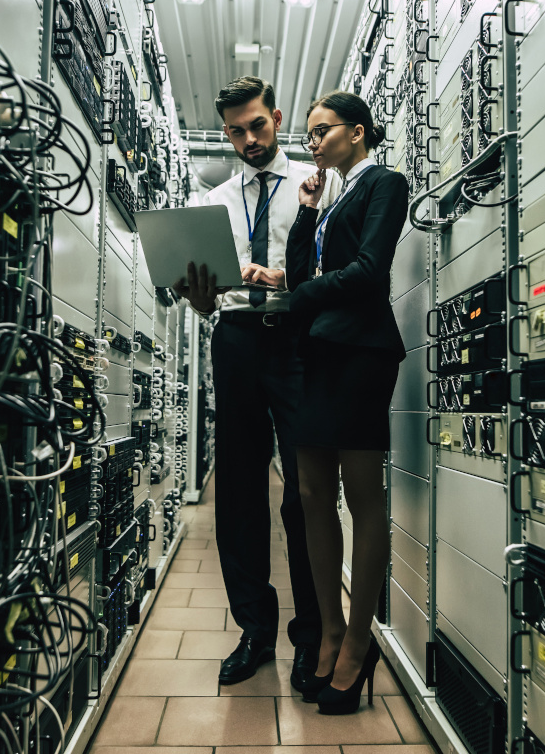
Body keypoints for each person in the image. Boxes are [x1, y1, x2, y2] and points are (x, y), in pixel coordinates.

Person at [172, 76, 343, 690]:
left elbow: (337, 269)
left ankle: (311, 635)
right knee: (240, 489)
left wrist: (289, 281)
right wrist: (197, 296)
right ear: (226, 133)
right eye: (236, 131)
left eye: (258, 126)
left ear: (276, 118)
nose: (249, 139)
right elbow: (204, 295)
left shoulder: (318, 185)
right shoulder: (215, 200)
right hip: (238, 338)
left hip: (298, 340)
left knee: (304, 490)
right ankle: (255, 631)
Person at [244, 90, 408, 714]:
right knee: (310, 492)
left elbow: (370, 272)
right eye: (309, 134)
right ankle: (330, 632)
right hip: (317, 352)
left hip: (361, 353)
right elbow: (300, 266)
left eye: (322, 132)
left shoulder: (384, 185)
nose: (312, 144)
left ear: (357, 133)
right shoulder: (333, 196)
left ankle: (359, 643)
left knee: (363, 498)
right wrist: (309, 213)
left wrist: (301, 296)